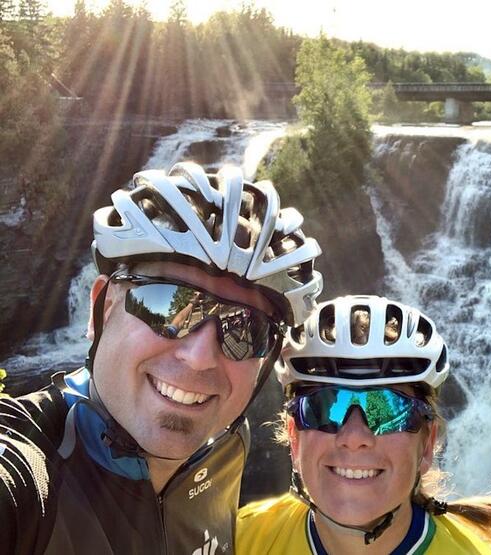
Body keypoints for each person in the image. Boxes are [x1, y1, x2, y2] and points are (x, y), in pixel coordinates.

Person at [0, 162, 322, 553]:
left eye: (245, 329)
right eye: (166, 305)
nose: (200, 357)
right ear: (101, 309)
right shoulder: (28, 472)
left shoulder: (228, 443)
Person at [236, 295, 491, 554]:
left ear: (427, 445)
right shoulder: (240, 541)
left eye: (386, 409)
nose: (355, 436)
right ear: (294, 438)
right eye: (326, 407)